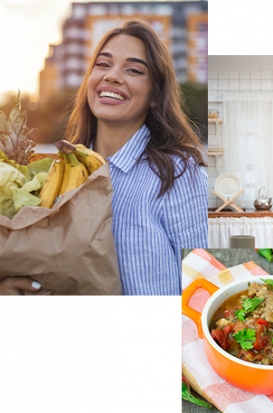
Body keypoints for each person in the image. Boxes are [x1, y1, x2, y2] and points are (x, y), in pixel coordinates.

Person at [0, 19, 207, 296]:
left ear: (155, 95)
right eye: (103, 64)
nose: (112, 76)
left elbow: (206, 282)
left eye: (133, 69)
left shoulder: (179, 174)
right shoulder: (53, 173)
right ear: (90, 82)